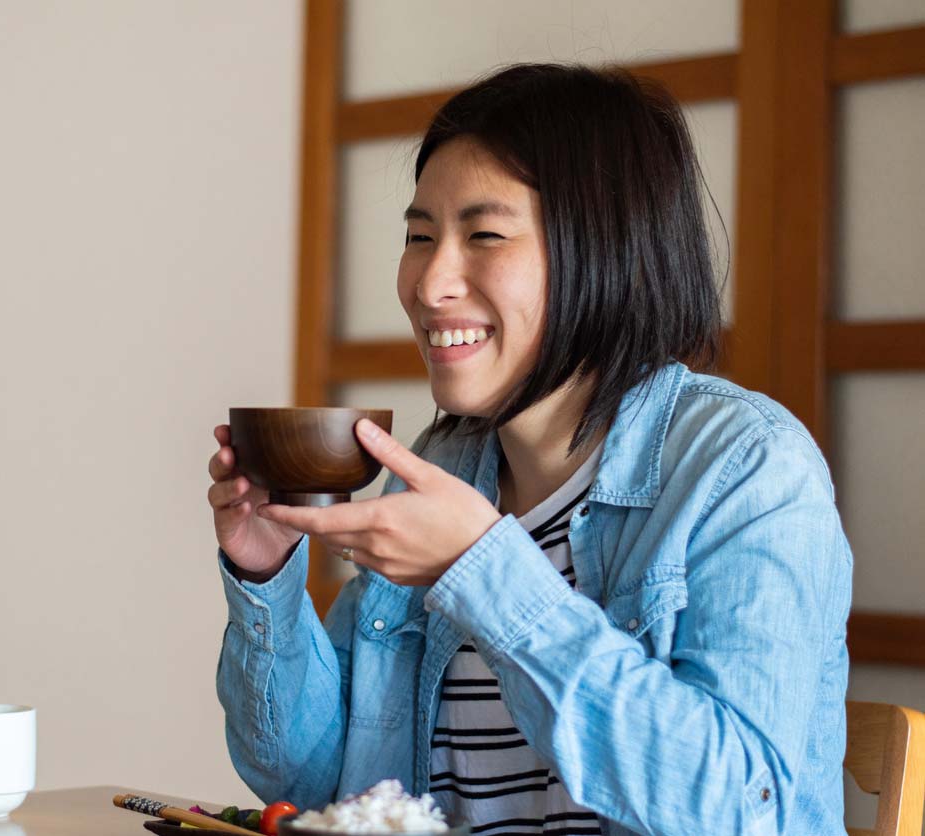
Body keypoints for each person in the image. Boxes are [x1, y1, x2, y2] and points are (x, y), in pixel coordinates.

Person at [206, 63, 851, 836]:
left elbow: (739, 810)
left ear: (605, 249)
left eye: (483, 235)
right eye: (419, 236)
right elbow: (320, 784)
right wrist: (266, 572)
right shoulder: (445, 466)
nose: (429, 282)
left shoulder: (744, 466)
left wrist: (483, 569)